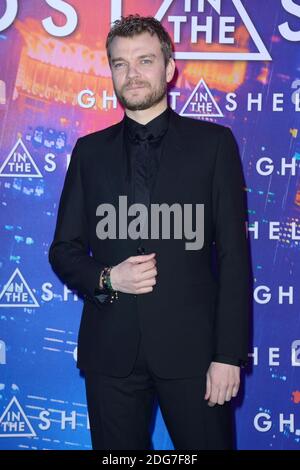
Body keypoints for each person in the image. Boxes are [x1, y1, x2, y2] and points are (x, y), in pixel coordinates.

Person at [49, 14, 252, 450]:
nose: (132, 74)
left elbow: (235, 258)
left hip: (196, 355)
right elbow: (63, 250)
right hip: (110, 353)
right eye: (120, 64)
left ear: (169, 67)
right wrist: (108, 278)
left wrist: (227, 355)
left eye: (144, 60)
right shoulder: (89, 152)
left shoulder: (214, 145)